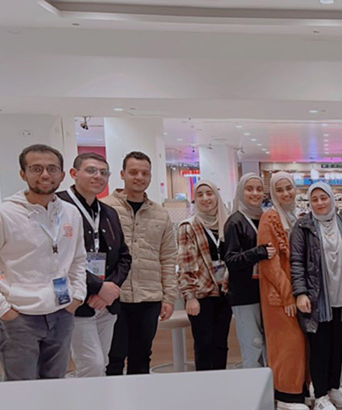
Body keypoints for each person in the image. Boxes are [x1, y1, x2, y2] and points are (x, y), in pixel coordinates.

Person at [0, 144, 86, 380]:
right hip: (19, 318)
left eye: (52, 169)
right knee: (22, 391)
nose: (45, 175)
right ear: (23, 174)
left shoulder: (71, 213)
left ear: (62, 175)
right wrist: (3, 309)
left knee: (55, 387)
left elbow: (78, 259)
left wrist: (77, 296)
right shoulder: (2, 214)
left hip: (61, 313)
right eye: (36, 168)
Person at [291, 183, 342, 410]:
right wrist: (301, 292)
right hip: (317, 297)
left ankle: (334, 389)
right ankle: (320, 395)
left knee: (337, 344)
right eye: (315, 199)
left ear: (332, 198)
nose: (320, 203)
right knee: (319, 346)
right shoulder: (302, 227)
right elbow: (296, 262)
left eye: (324, 198)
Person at [57, 152, 132, 378]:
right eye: (91, 170)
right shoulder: (58, 206)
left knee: (102, 362)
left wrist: (110, 289)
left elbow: (124, 256)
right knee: (93, 365)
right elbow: (59, 259)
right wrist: (98, 287)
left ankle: (95, 400)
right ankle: (86, 402)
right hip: (76, 301)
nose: (98, 176)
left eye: (103, 173)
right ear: (73, 173)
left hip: (106, 302)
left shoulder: (108, 212)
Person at [104, 151, 177, 375]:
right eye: (133, 172)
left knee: (142, 356)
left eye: (145, 173)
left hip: (149, 296)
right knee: (113, 357)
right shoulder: (106, 208)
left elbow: (168, 257)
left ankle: (140, 397)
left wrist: (169, 297)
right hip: (115, 296)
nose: (139, 177)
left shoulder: (160, 214)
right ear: (122, 174)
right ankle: (113, 397)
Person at [259, 172, 309, 410]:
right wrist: (288, 294)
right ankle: (285, 395)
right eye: (279, 190)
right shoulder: (269, 218)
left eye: (289, 188)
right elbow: (270, 263)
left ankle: (299, 391)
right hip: (279, 296)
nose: (285, 193)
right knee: (287, 344)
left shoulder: (293, 217)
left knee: (299, 344)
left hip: (294, 293)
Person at [177, 181, 232, 371]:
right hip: (201, 294)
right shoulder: (188, 226)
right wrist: (190, 296)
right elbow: (185, 264)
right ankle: (204, 385)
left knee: (221, 344)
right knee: (204, 345)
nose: (205, 198)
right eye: (200, 194)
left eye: (209, 193)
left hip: (224, 292)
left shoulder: (227, 223)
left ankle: (220, 383)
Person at [223, 173, 271, 369]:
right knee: (253, 345)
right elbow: (231, 260)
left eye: (259, 189)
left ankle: (271, 386)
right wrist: (258, 253)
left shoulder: (266, 218)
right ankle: (255, 387)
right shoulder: (235, 222)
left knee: (269, 345)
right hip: (244, 294)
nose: (255, 193)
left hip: (266, 292)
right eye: (249, 189)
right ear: (241, 192)